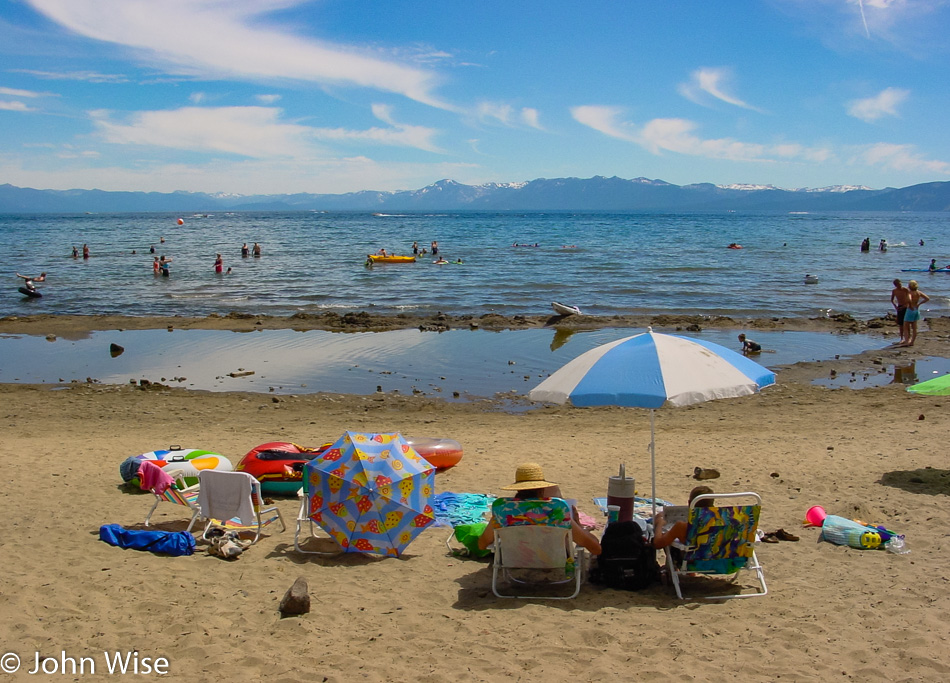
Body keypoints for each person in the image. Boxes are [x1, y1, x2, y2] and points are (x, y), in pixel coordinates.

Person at [477, 463, 601, 556]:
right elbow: (596, 548)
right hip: (553, 561)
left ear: (517, 488)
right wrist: (578, 525)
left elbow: (482, 544)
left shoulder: (504, 510)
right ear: (542, 489)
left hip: (516, 561)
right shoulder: (556, 510)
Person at [650, 485, 714, 550]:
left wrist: (659, 524)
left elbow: (657, 544)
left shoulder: (682, 527)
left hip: (694, 559)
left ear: (690, 503)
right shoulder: (722, 521)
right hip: (720, 558)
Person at [898, 280, 929, 348]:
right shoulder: (918, 292)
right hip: (916, 309)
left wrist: (910, 305)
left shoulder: (910, 293)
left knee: (905, 326)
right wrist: (919, 304)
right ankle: (912, 342)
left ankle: (906, 342)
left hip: (910, 310)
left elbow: (909, 299)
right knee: (914, 327)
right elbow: (927, 298)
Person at [891, 279, 911, 344]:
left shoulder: (905, 289)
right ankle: (902, 338)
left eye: (900, 284)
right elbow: (892, 300)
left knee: (907, 323)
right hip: (899, 307)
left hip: (906, 307)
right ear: (895, 285)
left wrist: (906, 305)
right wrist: (896, 306)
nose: (900, 286)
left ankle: (908, 338)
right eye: (898, 285)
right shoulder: (894, 291)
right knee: (901, 324)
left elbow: (909, 299)